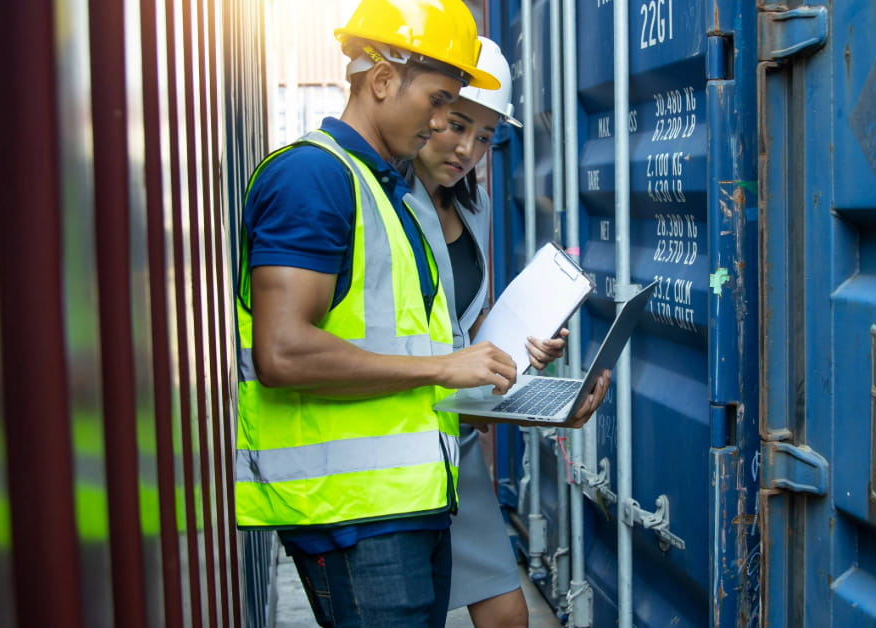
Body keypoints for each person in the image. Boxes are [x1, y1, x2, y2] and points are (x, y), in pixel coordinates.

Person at [233, 1, 609, 626]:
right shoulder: (312, 178)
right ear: (382, 80)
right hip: (352, 512)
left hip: (412, 493)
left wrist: (530, 389)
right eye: (440, 103)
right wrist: (444, 366)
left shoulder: (387, 195)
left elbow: (422, 346)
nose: (443, 127)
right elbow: (283, 354)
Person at [404, 37, 610, 627]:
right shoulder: (385, 203)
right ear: (431, 108)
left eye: (487, 137)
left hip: (455, 440)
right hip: (399, 442)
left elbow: (464, 324)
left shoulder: (475, 205)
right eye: (457, 125)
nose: (468, 149)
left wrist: (521, 350)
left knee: (506, 614)